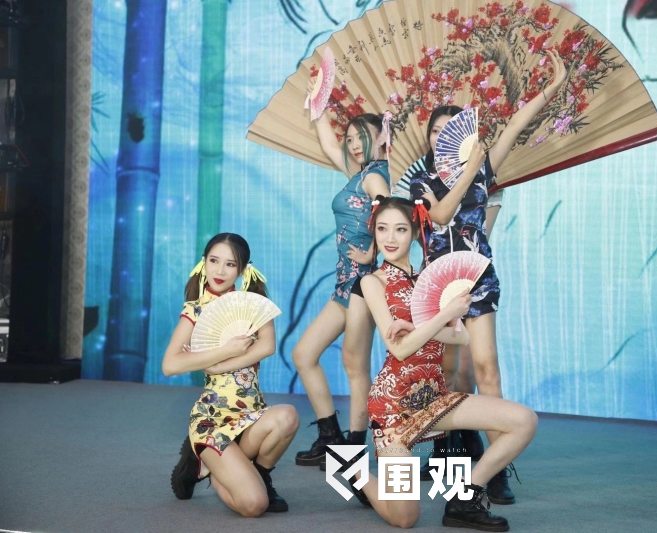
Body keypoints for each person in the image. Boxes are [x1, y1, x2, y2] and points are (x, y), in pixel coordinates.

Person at [409, 50, 567, 504]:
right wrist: (465, 173)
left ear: (464, 136)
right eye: (435, 132)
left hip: (477, 277)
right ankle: (451, 452)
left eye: (450, 130)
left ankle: (495, 468)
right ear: (429, 140)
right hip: (438, 283)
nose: (442, 137)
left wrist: (551, 88)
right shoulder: (422, 182)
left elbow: (517, 124)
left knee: (486, 368)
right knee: (447, 373)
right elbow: (441, 215)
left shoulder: (484, 164)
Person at [356, 196, 537, 531]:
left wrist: (421, 326)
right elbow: (398, 349)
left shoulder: (429, 278)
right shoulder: (373, 282)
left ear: (415, 232)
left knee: (524, 421)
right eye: (382, 229)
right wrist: (445, 315)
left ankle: (465, 498)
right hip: (393, 406)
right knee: (405, 519)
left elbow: (461, 338)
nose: (390, 238)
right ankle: (357, 475)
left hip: (435, 398)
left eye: (400, 229)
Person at [163, 233, 299, 517]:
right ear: (204, 262)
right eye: (214, 261)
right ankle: (213, 467)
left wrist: (218, 365)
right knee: (254, 506)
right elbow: (170, 365)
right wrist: (226, 350)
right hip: (212, 421)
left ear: (243, 269)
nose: (220, 271)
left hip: (251, 414)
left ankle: (257, 474)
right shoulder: (196, 310)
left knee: (288, 416)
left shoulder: (254, 305)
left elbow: (267, 347)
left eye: (230, 264)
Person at [292, 109, 392, 467]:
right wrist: (318, 105)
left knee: (354, 365)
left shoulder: (375, 176)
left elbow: (390, 213)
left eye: (360, 137)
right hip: (344, 283)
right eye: (349, 139)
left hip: (362, 285)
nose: (352, 145)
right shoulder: (360, 174)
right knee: (304, 354)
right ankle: (330, 436)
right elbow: (330, 146)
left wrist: (372, 251)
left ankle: (352, 447)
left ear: (381, 138)